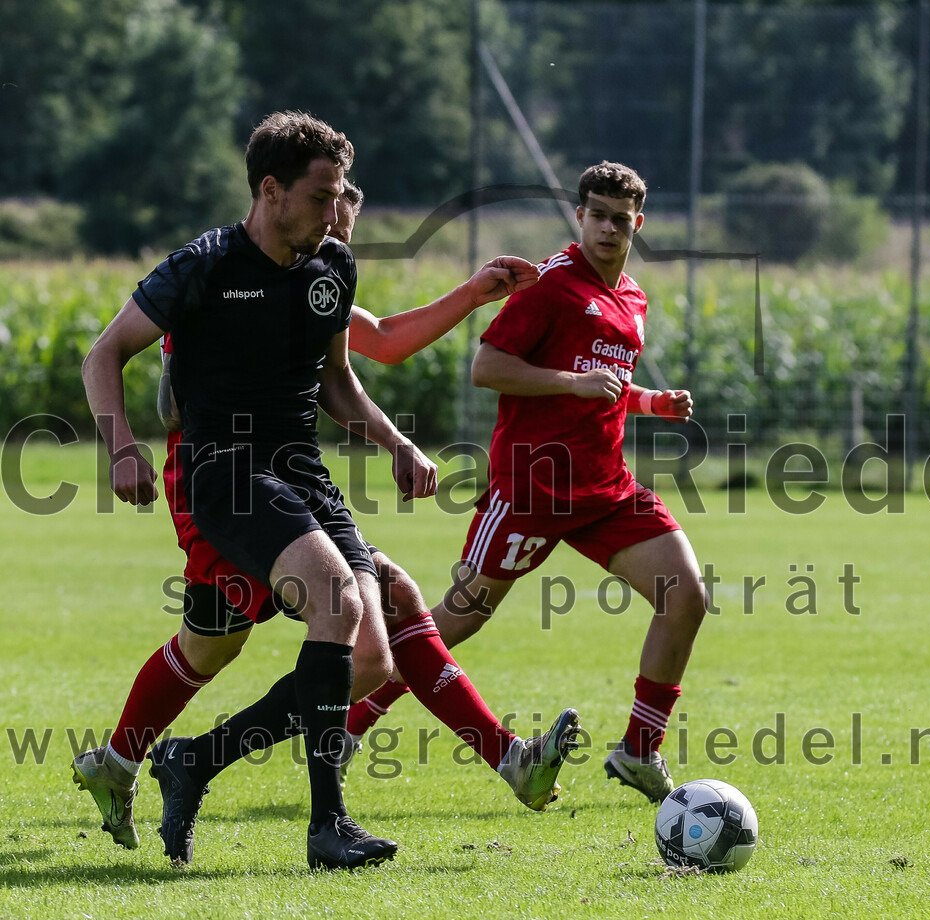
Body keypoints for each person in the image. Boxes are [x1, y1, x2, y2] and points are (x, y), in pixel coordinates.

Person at [73, 152, 579, 868]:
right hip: (221, 473)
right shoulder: (207, 264)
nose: (336, 217)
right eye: (325, 199)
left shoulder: (328, 267)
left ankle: (175, 761)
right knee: (307, 613)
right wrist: (121, 447)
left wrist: (397, 442)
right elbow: (106, 353)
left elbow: (343, 371)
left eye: (342, 201)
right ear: (272, 191)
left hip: (301, 477)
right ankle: (326, 821)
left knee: (351, 654)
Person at [343, 161, 706, 805]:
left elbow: (606, 387)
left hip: (606, 491)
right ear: (580, 216)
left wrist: (652, 404)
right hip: (530, 494)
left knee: (687, 597)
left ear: (637, 225)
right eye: (596, 214)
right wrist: (571, 384)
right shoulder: (549, 288)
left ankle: (638, 750)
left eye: (620, 219)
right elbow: (487, 367)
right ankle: (353, 721)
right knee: (454, 623)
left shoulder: (632, 299)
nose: (607, 228)